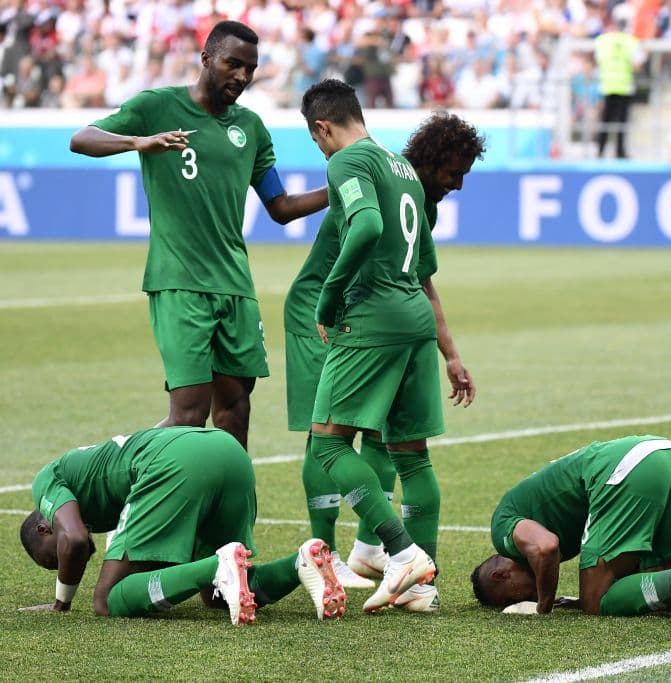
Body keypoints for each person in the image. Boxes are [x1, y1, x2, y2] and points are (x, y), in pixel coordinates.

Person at [68, 20, 329, 451]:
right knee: (188, 416)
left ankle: (230, 499)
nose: (242, 76)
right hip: (180, 282)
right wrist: (138, 142)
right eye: (233, 64)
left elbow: (280, 207)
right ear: (206, 58)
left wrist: (338, 186)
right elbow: (82, 139)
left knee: (235, 411)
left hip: (236, 287)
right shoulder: (157, 106)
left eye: (250, 68)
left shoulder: (251, 128)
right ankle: (107, 473)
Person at [285, 110, 486, 607]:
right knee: (343, 438)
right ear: (431, 160)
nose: (458, 184)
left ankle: (385, 552)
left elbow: (410, 267)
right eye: (454, 172)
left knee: (352, 439)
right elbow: (394, 258)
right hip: (329, 308)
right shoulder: (397, 177)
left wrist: (451, 354)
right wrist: (328, 303)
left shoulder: (401, 185)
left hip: (368, 312)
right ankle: (333, 553)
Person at [300, 78, 442, 613]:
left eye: (316, 141)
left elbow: (365, 227)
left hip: (371, 319)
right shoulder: (403, 167)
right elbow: (426, 262)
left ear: (322, 128)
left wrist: (329, 298)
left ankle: (402, 554)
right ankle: (421, 589)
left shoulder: (347, 161)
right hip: (415, 317)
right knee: (412, 455)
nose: (322, 151)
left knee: (328, 444)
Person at [18, 427, 344, 625]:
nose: (66, 561)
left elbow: (74, 539)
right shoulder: (89, 480)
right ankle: (300, 563)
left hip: (175, 462)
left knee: (106, 601)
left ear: (44, 528)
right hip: (228, 450)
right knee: (218, 597)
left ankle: (218, 565)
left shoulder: (47, 481)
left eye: (54, 558)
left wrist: (61, 603)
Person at [471, 435, 671, 622]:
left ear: (500, 575)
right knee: (668, 567)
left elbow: (545, 547)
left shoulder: (502, 530)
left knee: (595, 602)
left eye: (510, 598)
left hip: (625, 467)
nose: (520, 599)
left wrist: (543, 606)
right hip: (669, 454)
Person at [594, 15, 644, 159]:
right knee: (622, 122)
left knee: (605, 120)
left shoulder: (603, 40)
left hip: (607, 85)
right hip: (624, 86)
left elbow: (598, 60)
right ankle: (620, 151)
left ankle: (600, 150)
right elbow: (637, 65)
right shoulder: (631, 41)